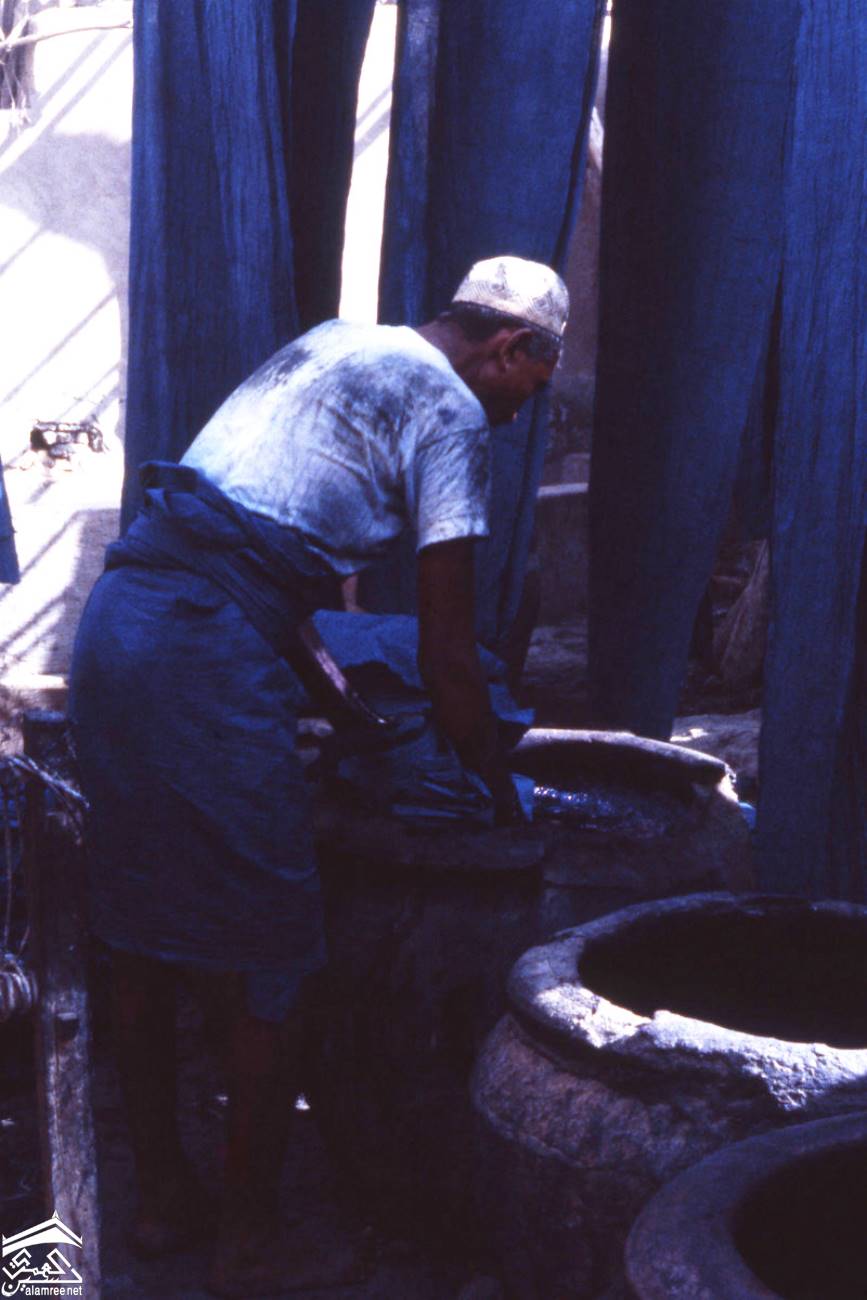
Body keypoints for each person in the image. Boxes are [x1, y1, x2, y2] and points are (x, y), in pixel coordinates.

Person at [69, 254, 568, 1296]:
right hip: (199, 652)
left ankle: (162, 1202)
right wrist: (493, 785)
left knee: (140, 937)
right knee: (278, 959)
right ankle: (250, 1242)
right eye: (536, 380)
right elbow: (447, 653)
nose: (527, 409)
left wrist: (346, 711)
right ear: (511, 346)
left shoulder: (340, 344)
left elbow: (257, 571)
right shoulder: (452, 412)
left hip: (120, 626)